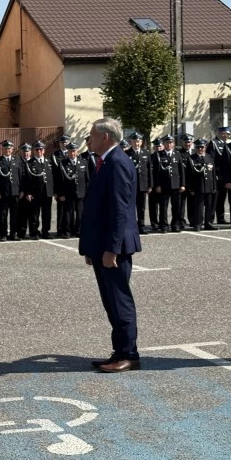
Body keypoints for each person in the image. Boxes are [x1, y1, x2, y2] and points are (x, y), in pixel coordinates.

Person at [79, 118, 142, 373]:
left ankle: (129, 354)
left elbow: (120, 211)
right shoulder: (105, 161)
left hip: (113, 248)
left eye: (91, 135)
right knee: (111, 302)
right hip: (102, 245)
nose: (88, 139)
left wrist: (112, 248)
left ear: (105, 137)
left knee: (120, 301)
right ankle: (119, 351)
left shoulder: (117, 162)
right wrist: (91, 247)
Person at [152, 134, 186, 233]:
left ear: (173, 144)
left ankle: (175, 225)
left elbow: (181, 171)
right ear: (164, 143)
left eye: (171, 142)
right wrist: (157, 185)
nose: (169, 144)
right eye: (167, 142)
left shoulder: (177, 154)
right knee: (163, 207)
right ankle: (164, 225)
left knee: (176, 206)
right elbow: (156, 172)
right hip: (163, 185)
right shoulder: (158, 155)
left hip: (175, 184)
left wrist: (182, 184)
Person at [55, 142, 88, 238]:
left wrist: (88, 192)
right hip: (68, 193)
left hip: (81, 192)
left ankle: (79, 230)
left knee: (80, 213)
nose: (72, 153)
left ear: (77, 152)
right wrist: (60, 194)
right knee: (68, 213)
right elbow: (59, 180)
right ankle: (67, 231)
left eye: (74, 151)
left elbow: (87, 179)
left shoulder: (83, 162)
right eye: (70, 151)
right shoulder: (63, 164)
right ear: (68, 153)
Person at [0, 140, 22, 241]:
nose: (7, 150)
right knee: (2, 215)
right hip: (3, 193)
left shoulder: (17, 160)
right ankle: (3, 234)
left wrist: (21, 190)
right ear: (2, 149)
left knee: (15, 215)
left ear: (12, 149)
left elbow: (20, 176)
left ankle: (14, 233)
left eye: (9, 148)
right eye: (5, 148)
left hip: (15, 192)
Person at [24, 141, 54, 239]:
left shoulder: (48, 162)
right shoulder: (29, 163)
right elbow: (27, 180)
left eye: (41, 149)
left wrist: (54, 191)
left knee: (47, 213)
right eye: (37, 149)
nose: (39, 151)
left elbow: (53, 178)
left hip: (47, 192)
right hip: (35, 192)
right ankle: (34, 232)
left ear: (44, 150)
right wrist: (28, 192)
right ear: (34, 151)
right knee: (34, 214)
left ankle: (46, 231)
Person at [186, 139, 218, 231]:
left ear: (205, 147)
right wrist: (191, 188)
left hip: (209, 186)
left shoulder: (209, 157)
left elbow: (213, 173)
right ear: (195, 148)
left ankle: (208, 223)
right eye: (198, 147)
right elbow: (189, 175)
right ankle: (198, 224)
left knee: (209, 206)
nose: (200, 149)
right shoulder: (192, 159)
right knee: (198, 207)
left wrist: (214, 187)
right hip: (198, 187)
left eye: (202, 147)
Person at [126, 132, 152, 234]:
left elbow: (149, 170)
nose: (136, 143)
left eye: (138, 141)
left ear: (141, 142)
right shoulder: (127, 154)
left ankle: (141, 226)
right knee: (131, 207)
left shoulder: (146, 153)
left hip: (142, 184)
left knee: (141, 207)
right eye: (134, 141)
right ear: (131, 142)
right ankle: (131, 226)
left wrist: (150, 184)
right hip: (131, 185)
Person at [207, 126, 231, 225]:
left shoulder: (226, 144)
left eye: (228, 134)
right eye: (226, 134)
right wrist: (213, 174)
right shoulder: (214, 143)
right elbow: (211, 159)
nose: (227, 136)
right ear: (221, 133)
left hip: (224, 175)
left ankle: (220, 218)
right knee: (214, 199)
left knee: (222, 198)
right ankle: (210, 219)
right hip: (216, 175)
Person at [177, 133, 195, 227]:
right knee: (181, 203)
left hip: (193, 182)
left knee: (192, 202)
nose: (187, 144)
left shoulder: (195, 152)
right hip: (183, 182)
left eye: (189, 142)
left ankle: (192, 220)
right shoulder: (178, 153)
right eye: (185, 142)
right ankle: (181, 221)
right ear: (182, 142)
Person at [16, 143, 32, 239]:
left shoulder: (33, 162)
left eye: (27, 151)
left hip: (32, 194)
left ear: (30, 152)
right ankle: (21, 233)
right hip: (21, 193)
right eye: (24, 151)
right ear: (21, 152)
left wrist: (30, 193)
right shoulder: (17, 162)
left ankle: (33, 232)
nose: (26, 153)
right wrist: (22, 191)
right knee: (21, 215)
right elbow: (17, 179)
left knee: (33, 214)